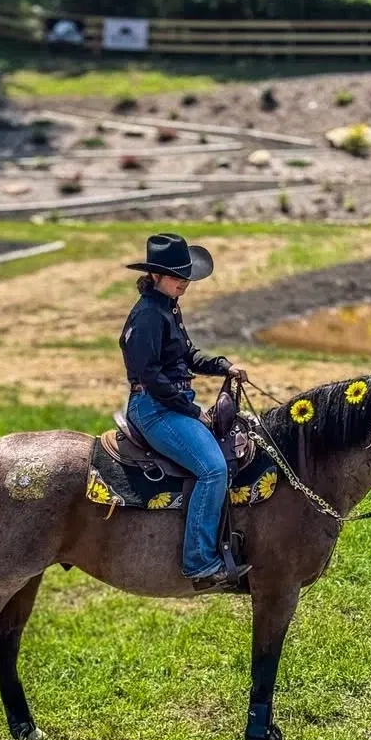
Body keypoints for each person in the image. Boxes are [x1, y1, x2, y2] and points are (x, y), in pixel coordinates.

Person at [120, 233, 250, 591]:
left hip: (169, 403)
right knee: (212, 468)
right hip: (155, 408)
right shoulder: (148, 315)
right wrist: (190, 409)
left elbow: (187, 356)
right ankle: (199, 562)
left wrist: (223, 366)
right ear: (157, 275)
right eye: (178, 275)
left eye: (186, 275)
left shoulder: (167, 307)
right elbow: (151, 375)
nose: (185, 282)